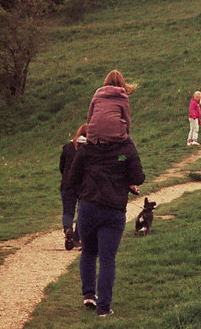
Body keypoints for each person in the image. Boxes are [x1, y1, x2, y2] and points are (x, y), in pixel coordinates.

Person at [63, 130, 145, 317]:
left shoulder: (88, 147)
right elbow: (138, 177)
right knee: (107, 259)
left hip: (88, 206)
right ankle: (103, 308)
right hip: (114, 208)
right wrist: (124, 177)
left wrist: (87, 186)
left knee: (89, 252)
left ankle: (89, 294)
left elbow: (72, 178)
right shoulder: (126, 145)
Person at [86, 70, 136, 145]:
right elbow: (126, 119)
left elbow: (89, 116)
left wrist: (90, 133)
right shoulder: (122, 96)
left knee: (82, 153)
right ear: (121, 83)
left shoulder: (98, 93)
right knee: (132, 152)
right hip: (115, 133)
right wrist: (126, 134)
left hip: (94, 135)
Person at [59, 124, 88, 250]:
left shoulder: (67, 147)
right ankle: (76, 239)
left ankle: (68, 229)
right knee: (82, 212)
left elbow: (62, 166)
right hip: (83, 185)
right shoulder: (90, 148)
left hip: (67, 184)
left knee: (68, 212)